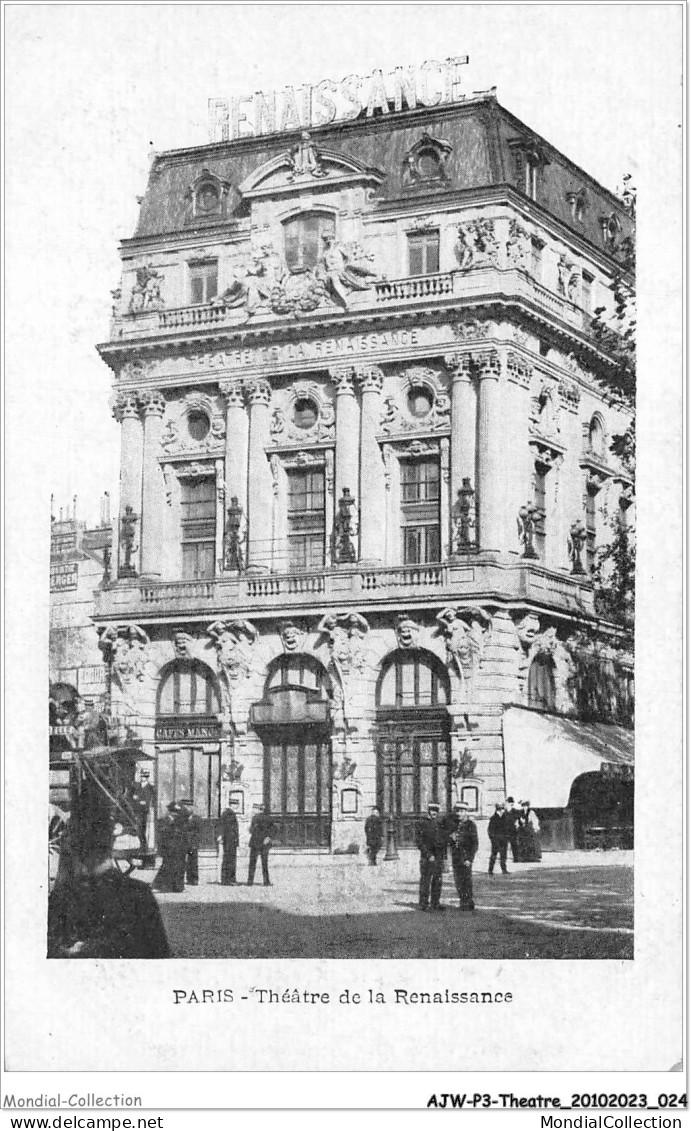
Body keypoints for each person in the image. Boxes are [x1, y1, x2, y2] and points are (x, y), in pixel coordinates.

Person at [48, 782, 170, 959]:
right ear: (111, 841)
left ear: (71, 845)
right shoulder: (139, 896)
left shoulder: (62, 899)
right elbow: (160, 959)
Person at [414, 802, 448, 912]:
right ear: (428, 811)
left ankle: (435, 903)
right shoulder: (422, 823)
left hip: (438, 857)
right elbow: (419, 841)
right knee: (426, 880)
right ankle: (423, 904)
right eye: (432, 810)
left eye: (436, 811)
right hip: (427, 857)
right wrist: (428, 855)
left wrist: (444, 856)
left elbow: (443, 840)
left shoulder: (440, 823)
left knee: (437, 880)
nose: (434, 813)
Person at [447, 802, 479, 911]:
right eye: (457, 811)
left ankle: (468, 901)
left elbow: (475, 844)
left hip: (466, 858)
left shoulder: (470, 825)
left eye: (461, 811)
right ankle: (462, 900)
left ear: (466, 812)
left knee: (466, 880)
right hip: (456, 857)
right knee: (458, 880)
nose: (459, 814)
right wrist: (451, 838)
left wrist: (470, 859)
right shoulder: (454, 824)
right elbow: (449, 840)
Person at [153, 803, 187, 893]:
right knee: (167, 866)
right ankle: (164, 886)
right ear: (170, 812)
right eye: (173, 812)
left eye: (177, 812)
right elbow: (161, 835)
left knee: (179, 867)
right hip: (167, 848)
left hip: (178, 848)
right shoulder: (163, 821)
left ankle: (178, 886)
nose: (175, 814)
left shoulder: (180, 822)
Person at [247, 804, 275, 886]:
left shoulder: (255, 818)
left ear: (259, 810)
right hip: (264, 843)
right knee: (264, 863)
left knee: (252, 863)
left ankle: (250, 881)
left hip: (255, 843)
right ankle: (266, 882)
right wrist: (269, 837)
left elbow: (251, 830)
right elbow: (273, 830)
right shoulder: (269, 818)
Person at [131, 768, 155, 853]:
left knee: (141, 829)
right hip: (136, 810)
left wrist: (138, 799)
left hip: (143, 811)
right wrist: (137, 799)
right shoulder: (137, 785)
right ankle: (143, 846)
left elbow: (147, 801)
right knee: (138, 829)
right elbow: (134, 796)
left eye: (144, 776)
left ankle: (144, 846)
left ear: (147, 777)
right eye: (141, 776)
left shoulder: (150, 787)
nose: (142, 778)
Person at [179, 799, 202, 885]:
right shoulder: (182, 819)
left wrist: (196, 843)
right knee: (182, 861)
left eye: (190, 807)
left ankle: (194, 879)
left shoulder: (197, 819)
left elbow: (199, 832)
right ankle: (183, 879)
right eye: (186, 807)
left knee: (193, 861)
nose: (188, 809)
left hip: (193, 842)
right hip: (184, 841)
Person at [218, 803, 240, 885]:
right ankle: (228, 879)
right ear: (232, 805)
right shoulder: (228, 813)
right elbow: (223, 826)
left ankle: (228, 879)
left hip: (230, 840)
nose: (236, 806)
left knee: (229, 859)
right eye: (235, 804)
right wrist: (221, 836)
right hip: (229, 840)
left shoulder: (229, 813)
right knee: (229, 860)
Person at [488, 802, 511, 875]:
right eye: (501, 809)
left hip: (504, 840)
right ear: (498, 810)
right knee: (493, 855)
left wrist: (507, 837)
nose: (502, 811)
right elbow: (490, 830)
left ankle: (504, 869)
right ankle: (490, 870)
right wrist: (493, 839)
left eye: (503, 809)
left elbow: (508, 828)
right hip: (496, 840)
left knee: (503, 855)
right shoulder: (493, 818)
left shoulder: (505, 818)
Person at [505, 796, 521, 863]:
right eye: (508, 803)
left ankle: (516, 858)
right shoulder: (504, 811)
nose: (510, 804)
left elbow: (519, 819)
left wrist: (518, 824)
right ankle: (504, 858)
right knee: (504, 845)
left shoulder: (515, 811)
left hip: (513, 830)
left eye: (511, 803)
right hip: (505, 830)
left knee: (514, 844)